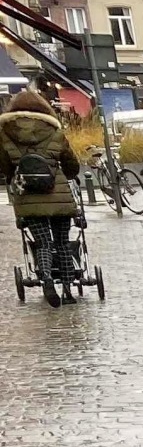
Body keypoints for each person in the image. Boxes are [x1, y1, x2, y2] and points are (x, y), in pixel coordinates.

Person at [2, 90, 82, 304]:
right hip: (58, 195)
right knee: (63, 243)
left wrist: (15, 179)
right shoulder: (54, 130)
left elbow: (5, 166)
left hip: (28, 198)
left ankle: (46, 278)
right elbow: (71, 164)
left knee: (43, 242)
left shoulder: (4, 132)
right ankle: (67, 289)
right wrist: (68, 174)